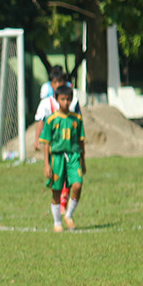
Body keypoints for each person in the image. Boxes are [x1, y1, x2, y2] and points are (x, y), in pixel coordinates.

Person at [40, 84, 86, 232]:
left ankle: (69, 215)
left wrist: (83, 160)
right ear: (57, 99)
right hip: (57, 158)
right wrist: (46, 164)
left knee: (77, 185)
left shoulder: (77, 119)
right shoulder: (51, 119)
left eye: (68, 99)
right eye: (63, 99)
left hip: (73, 157)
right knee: (57, 190)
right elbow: (46, 143)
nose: (66, 102)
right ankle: (57, 222)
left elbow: (81, 141)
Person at [34, 68, 80, 214]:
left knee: (70, 176)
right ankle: (59, 204)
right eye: (55, 82)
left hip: (69, 146)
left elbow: (78, 121)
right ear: (51, 84)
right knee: (57, 178)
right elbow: (41, 121)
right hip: (55, 146)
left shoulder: (73, 101)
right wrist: (37, 140)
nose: (58, 84)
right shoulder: (46, 103)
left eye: (60, 81)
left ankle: (64, 204)